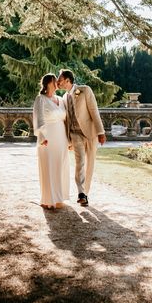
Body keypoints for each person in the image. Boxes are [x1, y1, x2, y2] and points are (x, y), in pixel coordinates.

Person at [57, 69, 106, 207]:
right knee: (80, 163)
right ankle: (81, 193)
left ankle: (86, 192)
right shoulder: (64, 98)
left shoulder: (85, 90)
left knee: (90, 163)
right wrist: (67, 139)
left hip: (90, 132)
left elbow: (94, 111)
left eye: (60, 80)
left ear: (67, 80)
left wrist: (101, 132)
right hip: (75, 134)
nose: (58, 82)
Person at [32, 73, 70, 210]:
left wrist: (69, 140)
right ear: (48, 83)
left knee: (61, 165)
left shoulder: (60, 99)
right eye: (55, 81)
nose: (58, 83)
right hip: (47, 137)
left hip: (61, 136)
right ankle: (48, 199)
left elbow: (66, 120)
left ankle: (59, 197)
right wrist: (42, 137)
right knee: (48, 166)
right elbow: (38, 118)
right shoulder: (40, 99)